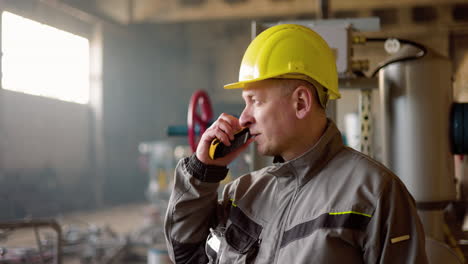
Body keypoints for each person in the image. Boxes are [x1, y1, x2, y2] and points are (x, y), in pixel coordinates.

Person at [164, 24, 428, 264]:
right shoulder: (243, 194)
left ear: (301, 102)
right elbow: (187, 257)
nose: (243, 118)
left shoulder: (374, 194)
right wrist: (202, 173)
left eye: (255, 101)